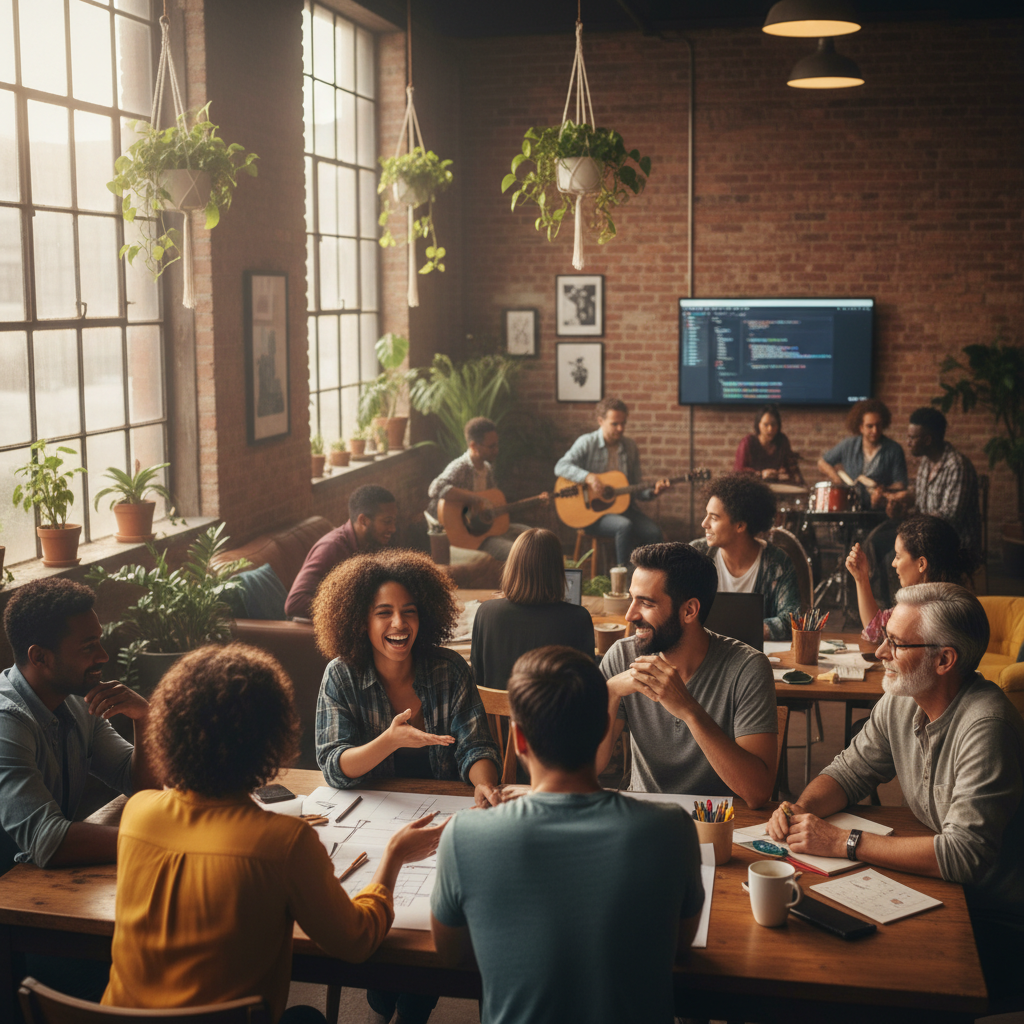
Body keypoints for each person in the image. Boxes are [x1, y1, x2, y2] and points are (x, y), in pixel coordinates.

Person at [102, 643, 446, 1024]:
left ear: (168, 730)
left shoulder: (138, 812)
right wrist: (394, 856)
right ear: (270, 740)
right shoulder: (284, 841)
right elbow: (356, 942)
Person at [767, 583, 1024, 1012]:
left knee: (852, 985)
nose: (880, 652)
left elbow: (963, 855)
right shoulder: (902, 701)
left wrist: (842, 842)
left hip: (994, 915)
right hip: (939, 890)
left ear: (944, 660)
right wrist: (800, 809)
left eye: (897, 643)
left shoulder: (986, 726)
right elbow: (848, 773)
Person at [430, 645, 705, 1024]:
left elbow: (451, 956)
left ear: (520, 739)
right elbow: (678, 946)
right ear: (605, 727)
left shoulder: (464, 836)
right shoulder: (673, 830)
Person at [312, 549, 502, 1024]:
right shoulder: (341, 673)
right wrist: (389, 740)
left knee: (435, 920)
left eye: (409, 612)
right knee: (375, 911)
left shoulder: (449, 670)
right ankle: (383, 1007)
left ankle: (408, 1009)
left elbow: (477, 746)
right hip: (369, 825)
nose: (399, 623)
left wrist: (484, 786)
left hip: (439, 821)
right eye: (384, 613)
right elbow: (334, 765)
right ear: (360, 620)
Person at [596, 542, 777, 805]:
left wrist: (688, 710)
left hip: (717, 824)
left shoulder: (747, 668)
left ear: (689, 610)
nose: (629, 614)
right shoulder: (622, 657)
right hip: (644, 819)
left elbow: (758, 793)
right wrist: (610, 692)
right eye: (632, 598)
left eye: (646, 603)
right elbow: (588, 768)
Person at [1, 578, 155, 874]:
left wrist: (145, 718)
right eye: (88, 647)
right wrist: (154, 841)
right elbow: (47, 840)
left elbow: (139, 783)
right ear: (40, 657)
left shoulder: (76, 702)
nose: (104, 656)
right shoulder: (6, 722)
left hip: (36, 887)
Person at [471, 528, 594, 691]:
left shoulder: (485, 612)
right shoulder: (578, 618)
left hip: (498, 715)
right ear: (557, 570)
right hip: (557, 715)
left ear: (512, 567)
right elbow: (588, 686)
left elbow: (477, 676)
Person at [554, 397, 670, 568]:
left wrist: (653, 492)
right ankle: (623, 578)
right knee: (624, 526)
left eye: (623, 423)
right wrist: (588, 477)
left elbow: (636, 488)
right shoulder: (587, 442)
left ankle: (648, 579)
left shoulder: (630, 447)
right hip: (592, 514)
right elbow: (561, 466)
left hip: (624, 509)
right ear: (600, 421)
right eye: (615, 424)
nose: (620, 428)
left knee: (653, 533)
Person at [691, 474, 801, 640]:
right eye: (706, 515)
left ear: (740, 525)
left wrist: (733, 631)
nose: (704, 523)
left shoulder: (777, 562)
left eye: (714, 518)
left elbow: (792, 620)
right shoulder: (696, 554)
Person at [846, 512, 976, 643]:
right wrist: (861, 578)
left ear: (921, 564)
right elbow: (877, 631)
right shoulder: (924, 601)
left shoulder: (925, 613)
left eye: (897, 556)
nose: (893, 563)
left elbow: (878, 634)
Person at [426, 417, 538, 562]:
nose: (496, 450)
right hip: (470, 535)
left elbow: (493, 504)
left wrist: (533, 502)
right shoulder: (460, 467)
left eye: (497, 445)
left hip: (486, 529)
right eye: (491, 446)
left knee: (534, 537)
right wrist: (473, 498)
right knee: (519, 552)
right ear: (473, 446)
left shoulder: (487, 469)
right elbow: (435, 488)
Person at [285, 484, 398, 619]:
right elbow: (294, 603)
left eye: (393, 521)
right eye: (387, 521)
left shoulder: (372, 543)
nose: (392, 528)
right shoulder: (331, 548)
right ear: (364, 521)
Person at [889, 407, 982, 565]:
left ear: (927, 440)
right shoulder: (926, 462)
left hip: (955, 547)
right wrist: (902, 512)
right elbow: (921, 507)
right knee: (880, 540)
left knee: (892, 554)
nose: (908, 442)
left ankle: (905, 590)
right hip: (930, 539)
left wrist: (911, 521)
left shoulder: (957, 465)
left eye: (912, 438)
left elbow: (950, 517)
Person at [817, 398, 908, 511]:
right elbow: (822, 462)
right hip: (850, 509)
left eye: (878, 425)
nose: (875, 431)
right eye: (870, 426)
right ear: (860, 427)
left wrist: (884, 490)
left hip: (880, 512)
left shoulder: (894, 449)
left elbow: (901, 484)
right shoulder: (848, 445)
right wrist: (837, 480)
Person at [734, 403, 805, 485]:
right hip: (752, 486)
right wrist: (761, 474)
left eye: (774, 424)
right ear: (758, 425)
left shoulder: (782, 441)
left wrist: (782, 473)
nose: (770, 429)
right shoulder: (748, 442)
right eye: (766, 425)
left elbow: (790, 468)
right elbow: (738, 470)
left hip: (777, 487)